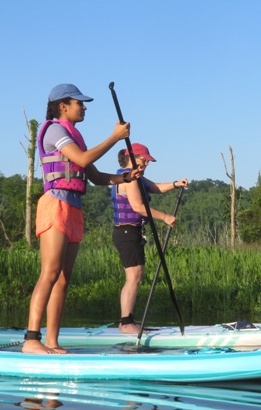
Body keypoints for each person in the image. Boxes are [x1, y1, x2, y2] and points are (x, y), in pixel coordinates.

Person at [23, 83, 143, 354]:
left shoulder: (74, 135)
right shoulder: (54, 129)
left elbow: (96, 176)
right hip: (55, 204)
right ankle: (31, 339)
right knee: (50, 273)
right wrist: (114, 137)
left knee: (64, 279)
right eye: (79, 102)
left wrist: (125, 177)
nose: (84, 106)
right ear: (63, 106)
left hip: (74, 209)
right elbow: (82, 158)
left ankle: (52, 342)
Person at [111, 144, 188, 334]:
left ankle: (127, 321)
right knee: (134, 276)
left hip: (131, 232)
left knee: (135, 276)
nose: (146, 163)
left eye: (147, 161)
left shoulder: (136, 177)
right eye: (143, 159)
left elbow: (155, 188)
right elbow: (138, 206)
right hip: (127, 232)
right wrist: (165, 217)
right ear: (131, 157)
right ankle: (126, 323)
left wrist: (175, 184)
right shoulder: (129, 179)